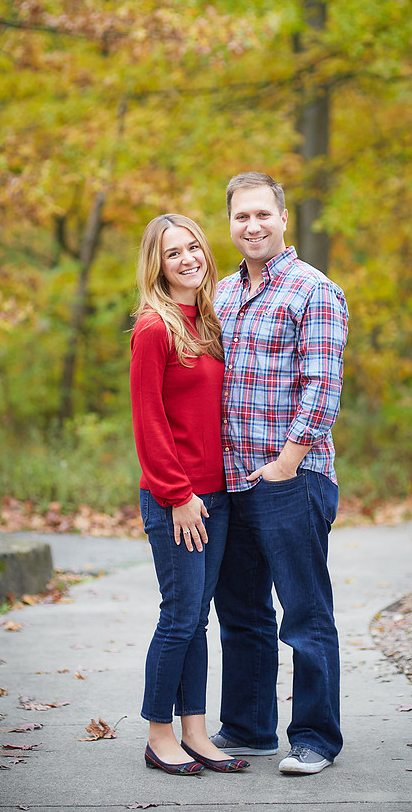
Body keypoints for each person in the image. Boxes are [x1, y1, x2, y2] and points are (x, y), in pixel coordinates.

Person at [209, 172, 349, 775]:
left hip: (293, 476)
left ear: (283, 219)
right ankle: (247, 728)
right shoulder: (219, 294)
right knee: (241, 612)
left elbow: (322, 385)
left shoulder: (314, 290)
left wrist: (287, 464)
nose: (252, 226)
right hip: (230, 479)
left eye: (262, 214)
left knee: (304, 611)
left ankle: (315, 737)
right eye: (242, 217)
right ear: (231, 223)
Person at [130, 213, 249, 776]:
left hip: (215, 494)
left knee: (196, 618)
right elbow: (149, 423)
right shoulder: (154, 329)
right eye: (174, 252)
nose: (188, 259)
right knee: (178, 616)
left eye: (194, 247)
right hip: (176, 498)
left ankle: (195, 732)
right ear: (158, 264)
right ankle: (159, 736)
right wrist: (177, 495)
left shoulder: (206, 321)